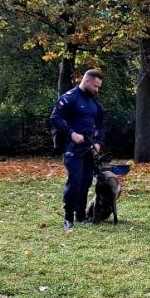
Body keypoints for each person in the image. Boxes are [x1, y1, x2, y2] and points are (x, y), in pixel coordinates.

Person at [50, 69, 106, 232]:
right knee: (75, 180)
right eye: (95, 86)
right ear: (86, 81)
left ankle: (80, 215)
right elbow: (55, 118)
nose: (97, 90)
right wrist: (71, 133)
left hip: (89, 148)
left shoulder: (94, 103)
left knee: (86, 181)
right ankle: (68, 218)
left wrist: (98, 142)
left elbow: (101, 124)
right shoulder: (70, 97)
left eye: (99, 87)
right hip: (72, 147)